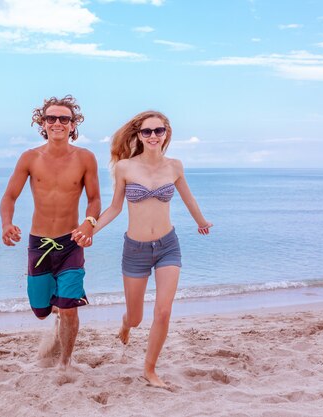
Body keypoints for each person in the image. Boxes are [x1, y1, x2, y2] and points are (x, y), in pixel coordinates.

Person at [73, 110, 212, 387]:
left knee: (163, 311)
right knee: (136, 318)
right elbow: (114, 208)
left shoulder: (175, 166)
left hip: (168, 247)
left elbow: (188, 198)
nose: (152, 136)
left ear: (166, 134)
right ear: (139, 135)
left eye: (158, 131)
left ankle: (150, 370)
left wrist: (201, 222)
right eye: (147, 131)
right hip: (135, 249)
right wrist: (89, 230)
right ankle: (125, 324)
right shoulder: (125, 167)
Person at [0, 95, 101, 369]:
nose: (57, 123)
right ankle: (57, 304)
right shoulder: (30, 158)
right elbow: (9, 196)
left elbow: (94, 199)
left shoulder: (85, 158)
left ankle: (65, 363)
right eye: (51, 118)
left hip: (71, 242)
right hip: (39, 244)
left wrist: (88, 223)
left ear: (72, 124)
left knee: (69, 308)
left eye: (64, 119)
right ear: (42, 123)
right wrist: (6, 224)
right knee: (42, 311)